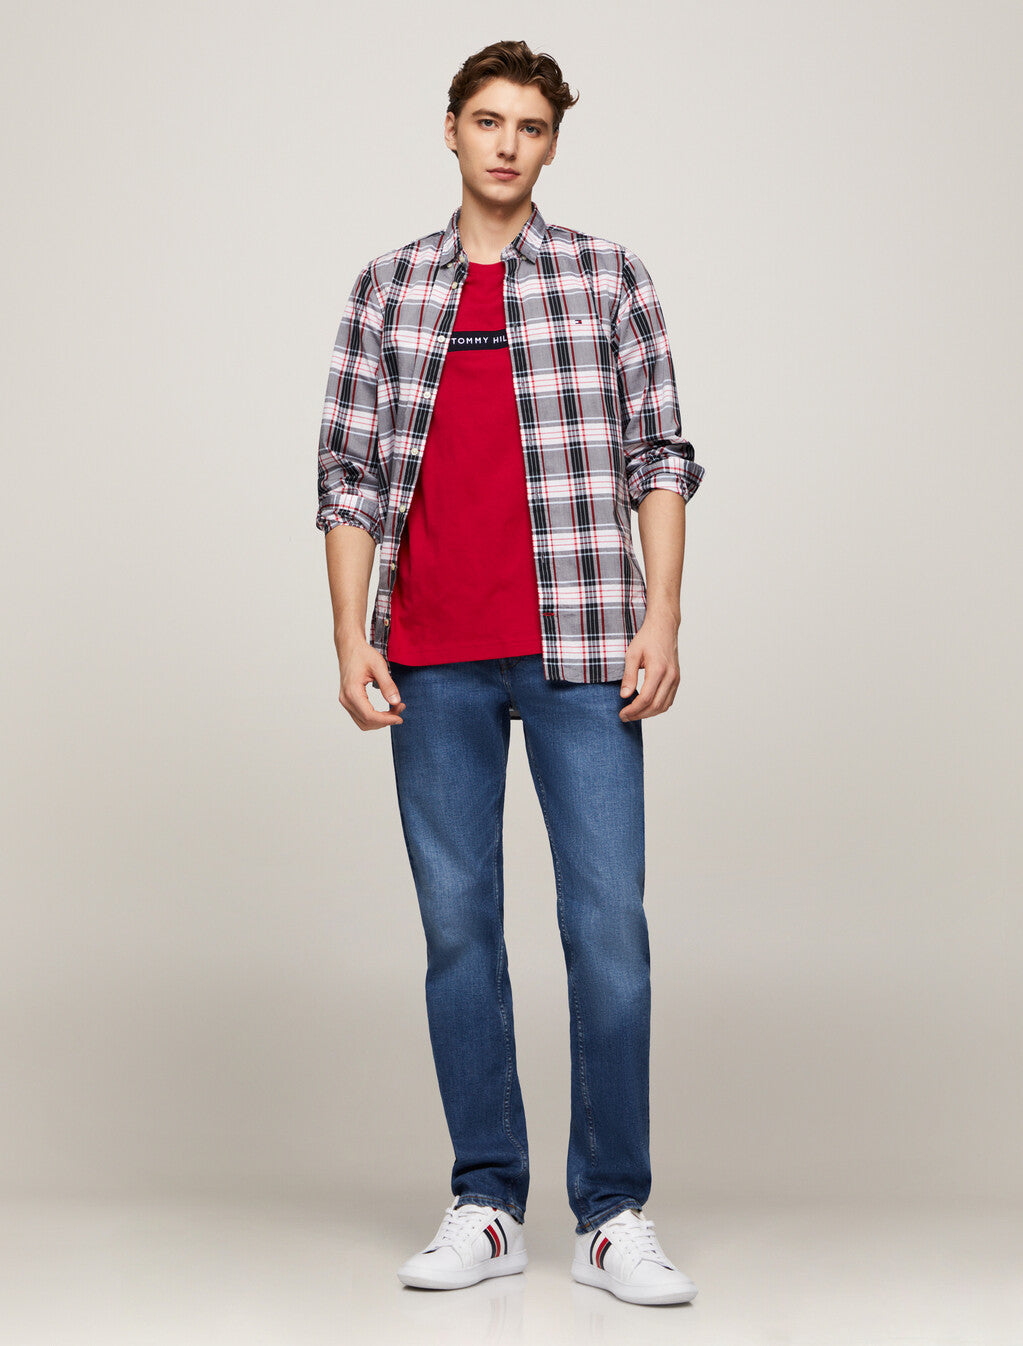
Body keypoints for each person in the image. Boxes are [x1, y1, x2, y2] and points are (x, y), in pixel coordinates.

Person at [316, 39, 704, 1307]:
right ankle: (486, 1199)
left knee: (608, 930)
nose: (506, 144)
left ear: (550, 144)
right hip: (431, 656)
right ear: (451, 130)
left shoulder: (606, 277)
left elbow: (660, 455)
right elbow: (349, 477)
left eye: (530, 126)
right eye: (488, 121)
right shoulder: (388, 288)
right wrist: (351, 634)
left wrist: (663, 616)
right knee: (458, 932)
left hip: (583, 646)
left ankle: (612, 1213)